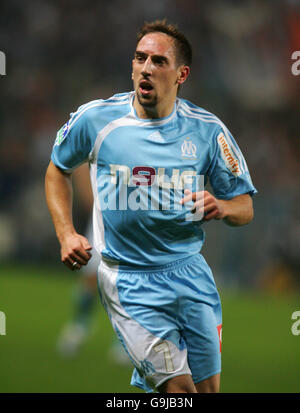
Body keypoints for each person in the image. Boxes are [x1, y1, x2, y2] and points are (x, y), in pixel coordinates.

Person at [45, 20, 257, 393]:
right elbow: (57, 169)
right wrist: (66, 234)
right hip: (129, 282)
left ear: (181, 74)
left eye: (159, 61)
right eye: (140, 58)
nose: (146, 68)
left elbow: (245, 207)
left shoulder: (209, 131)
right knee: (181, 392)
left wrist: (221, 207)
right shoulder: (98, 119)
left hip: (191, 274)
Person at [56, 164, 129, 365]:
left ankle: (124, 339)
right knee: (91, 275)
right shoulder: (102, 134)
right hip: (105, 215)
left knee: (128, 279)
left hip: (137, 214)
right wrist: (90, 195)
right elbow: (78, 162)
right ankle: (80, 325)